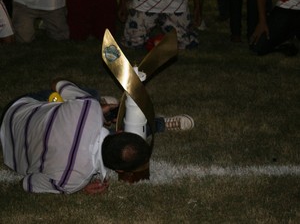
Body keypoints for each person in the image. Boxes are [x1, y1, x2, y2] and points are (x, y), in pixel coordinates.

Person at [0, 79, 194, 194]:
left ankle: (105, 107)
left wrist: (94, 107)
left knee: (89, 95)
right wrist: (75, 187)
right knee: (89, 98)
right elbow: (26, 183)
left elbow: (57, 83)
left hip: (17, 111)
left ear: (119, 131)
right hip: (10, 148)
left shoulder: (88, 107)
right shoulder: (71, 181)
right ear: (117, 170)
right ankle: (157, 124)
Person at [118, 0, 199, 50]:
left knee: (186, 41)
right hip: (145, 2)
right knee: (133, 42)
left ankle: (163, 34)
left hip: (175, 3)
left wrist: (197, 7)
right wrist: (122, 3)